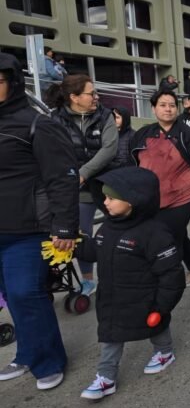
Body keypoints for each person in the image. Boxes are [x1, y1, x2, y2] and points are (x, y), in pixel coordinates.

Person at [0, 52, 79, 391]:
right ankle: (27, 352)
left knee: (25, 292)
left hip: (28, 229)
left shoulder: (37, 122)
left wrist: (64, 227)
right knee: (9, 295)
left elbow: (63, 176)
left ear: (13, 82)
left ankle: (48, 359)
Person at [76, 167, 185, 400]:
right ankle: (106, 377)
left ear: (134, 200)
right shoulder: (107, 227)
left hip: (145, 298)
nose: (105, 202)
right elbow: (96, 250)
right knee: (110, 334)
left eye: (111, 198)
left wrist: (162, 306)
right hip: (111, 296)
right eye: (104, 196)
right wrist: (75, 243)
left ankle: (164, 352)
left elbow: (171, 273)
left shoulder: (154, 232)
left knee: (156, 326)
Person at [130, 90, 190, 287]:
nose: (168, 109)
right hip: (153, 198)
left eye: (172, 105)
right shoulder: (143, 134)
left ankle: (169, 280)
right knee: (179, 234)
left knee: (170, 236)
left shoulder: (187, 135)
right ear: (154, 108)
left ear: (178, 108)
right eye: (163, 105)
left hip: (183, 196)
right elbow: (131, 162)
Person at [50, 74, 118, 297]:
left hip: (106, 183)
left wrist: (83, 173)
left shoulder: (105, 115)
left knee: (118, 230)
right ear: (74, 97)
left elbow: (109, 149)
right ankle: (88, 281)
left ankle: (120, 271)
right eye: (91, 93)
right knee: (82, 235)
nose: (96, 97)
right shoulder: (55, 119)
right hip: (77, 189)